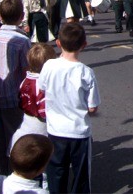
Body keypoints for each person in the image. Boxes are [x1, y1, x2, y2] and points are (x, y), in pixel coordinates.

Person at [38, 23, 100, 193]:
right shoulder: (86, 72)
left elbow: (41, 88)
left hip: (55, 130)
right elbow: (93, 107)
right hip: (79, 131)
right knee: (80, 175)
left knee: (56, 171)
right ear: (84, 45)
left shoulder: (49, 65)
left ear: (58, 43)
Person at [0, 0, 32, 175]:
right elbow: (27, 70)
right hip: (13, 96)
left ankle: (5, 173)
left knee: (2, 139)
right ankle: (16, 175)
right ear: (21, 16)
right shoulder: (21, 40)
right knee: (16, 139)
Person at [10, 43, 57, 153]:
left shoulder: (25, 81)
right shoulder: (42, 85)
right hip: (40, 127)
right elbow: (43, 112)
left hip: (27, 121)